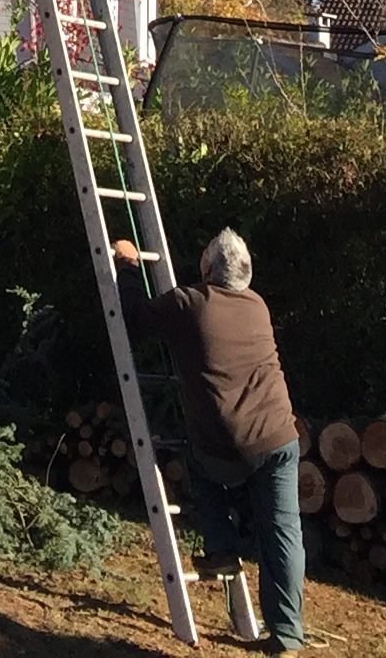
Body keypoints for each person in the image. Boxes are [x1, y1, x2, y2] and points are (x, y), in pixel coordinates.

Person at [112, 225, 312, 651]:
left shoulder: (190, 304)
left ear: (207, 268)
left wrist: (128, 265)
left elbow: (135, 319)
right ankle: (288, 635)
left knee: (197, 463)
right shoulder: (257, 305)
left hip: (229, 443)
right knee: (283, 533)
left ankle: (220, 547)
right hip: (281, 437)